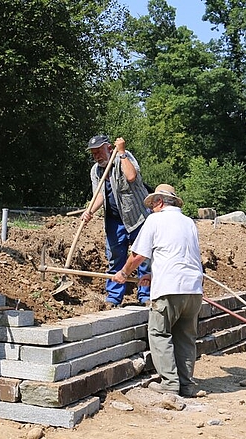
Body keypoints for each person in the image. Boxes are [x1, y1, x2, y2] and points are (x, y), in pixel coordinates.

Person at [112, 184, 204, 397]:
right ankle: (187, 385)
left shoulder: (155, 220)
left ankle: (170, 384)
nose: (151, 209)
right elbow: (182, 255)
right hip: (193, 289)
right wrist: (154, 276)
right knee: (186, 337)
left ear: (160, 202)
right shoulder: (189, 223)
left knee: (159, 333)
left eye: (152, 204)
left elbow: (138, 256)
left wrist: (123, 274)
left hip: (169, 289)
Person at [82, 135, 152, 307]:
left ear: (109, 148)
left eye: (99, 151)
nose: (97, 156)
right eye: (94, 154)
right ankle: (114, 298)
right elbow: (99, 195)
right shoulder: (96, 171)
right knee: (115, 257)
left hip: (138, 217)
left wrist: (121, 152)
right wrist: (89, 210)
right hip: (115, 221)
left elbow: (131, 177)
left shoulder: (124, 157)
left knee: (143, 257)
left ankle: (146, 296)